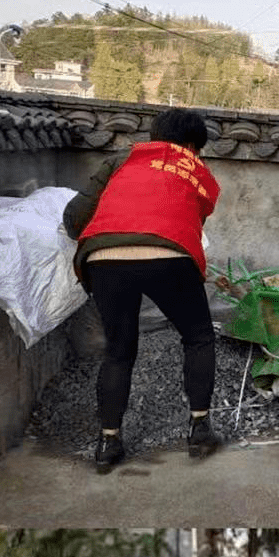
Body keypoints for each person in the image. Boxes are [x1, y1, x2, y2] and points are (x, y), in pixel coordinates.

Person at [63, 107, 221, 473]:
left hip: (103, 257)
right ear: (193, 145)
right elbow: (184, 217)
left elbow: (75, 216)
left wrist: (88, 237)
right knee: (198, 336)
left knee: (119, 350)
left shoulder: (124, 158)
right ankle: (199, 430)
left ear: (154, 135)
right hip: (170, 255)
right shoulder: (199, 171)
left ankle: (108, 443)